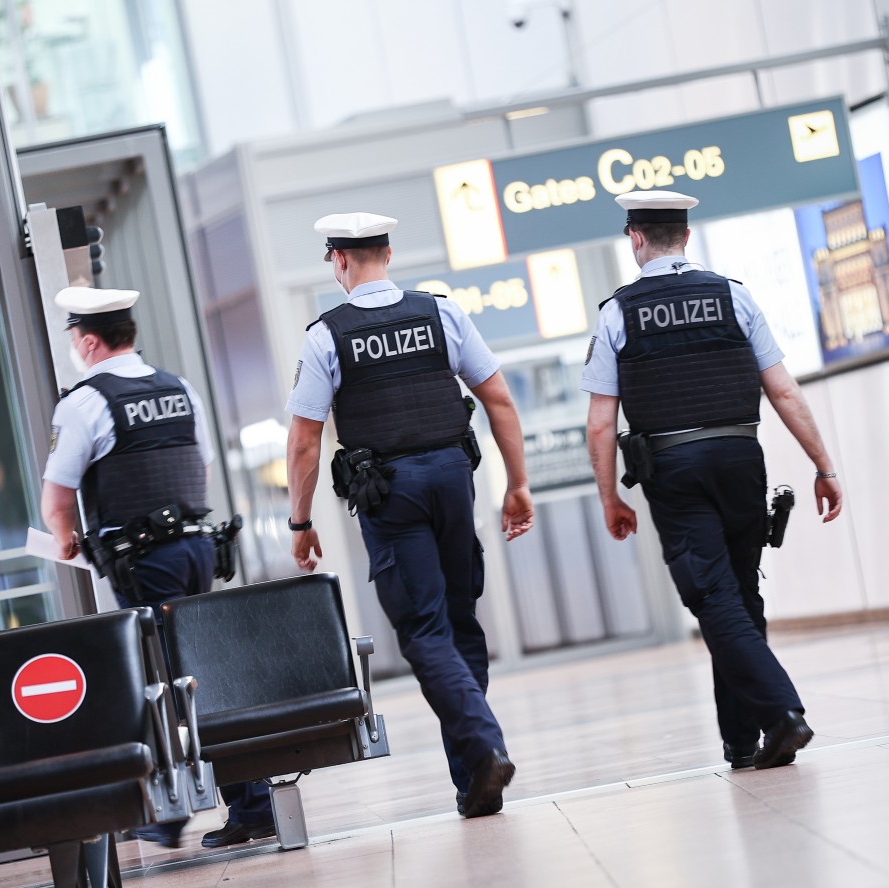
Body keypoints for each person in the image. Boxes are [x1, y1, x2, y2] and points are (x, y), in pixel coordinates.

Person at [581, 190, 843, 770]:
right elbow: (783, 391)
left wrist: (611, 497)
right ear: (687, 237)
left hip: (674, 468)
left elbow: (602, 423)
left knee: (713, 595)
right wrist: (823, 466)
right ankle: (741, 738)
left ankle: (783, 714)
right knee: (741, 594)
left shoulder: (618, 312)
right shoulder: (734, 296)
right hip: (740, 457)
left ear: (636, 239)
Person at [285, 212, 535, 818]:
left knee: (425, 632)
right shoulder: (441, 313)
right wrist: (517, 484)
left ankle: (485, 746)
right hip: (453, 477)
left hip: (389, 491)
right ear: (389, 253)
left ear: (339, 260)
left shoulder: (327, 336)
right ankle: (475, 777)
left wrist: (301, 521)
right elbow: (497, 396)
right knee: (459, 622)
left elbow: (305, 442)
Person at [40, 286, 275, 849]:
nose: (75, 349)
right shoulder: (178, 388)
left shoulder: (83, 402)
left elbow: (56, 500)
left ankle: (170, 814)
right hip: (198, 549)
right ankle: (250, 803)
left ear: (90, 342)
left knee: (163, 682)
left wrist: (67, 540)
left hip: (146, 561)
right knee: (208, 672)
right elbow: (203, 470)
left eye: (75, 339)